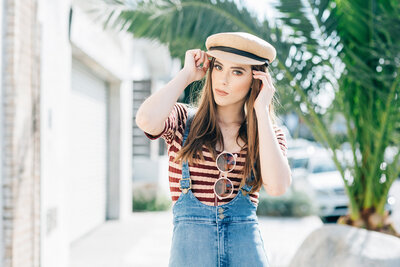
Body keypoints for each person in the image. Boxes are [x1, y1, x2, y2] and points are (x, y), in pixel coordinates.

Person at [136, 32, 292, 267]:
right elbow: (146, 120)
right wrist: (186, 75)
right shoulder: (182, 121)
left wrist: (261, 110)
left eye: (237, 72)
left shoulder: (267, 135)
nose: (223, 80)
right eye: (218, 67)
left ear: (256, 80)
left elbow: (278, 186)